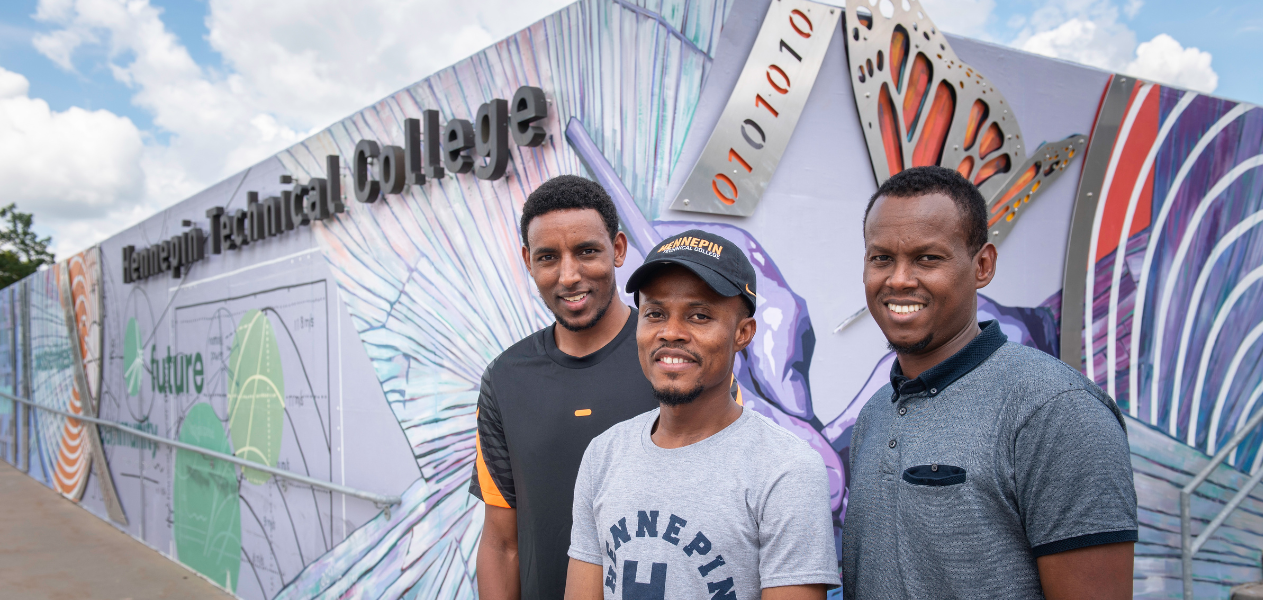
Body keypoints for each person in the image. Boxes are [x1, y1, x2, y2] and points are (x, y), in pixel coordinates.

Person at [842, 166, 1137, 599]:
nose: (898, 279)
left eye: (928, 258)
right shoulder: (875, 414)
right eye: (881, 258)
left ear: (982, 265)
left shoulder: (1056, 410)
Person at [565, 230, 840, 600]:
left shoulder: (786, 469)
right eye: (655, 313)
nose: (671, 332)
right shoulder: (603, 455)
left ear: (743, 333)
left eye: (699, 315)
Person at [471, 175, 659, 600]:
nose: (569, 275)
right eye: (548, 257)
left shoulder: (672, 362)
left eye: (587, 251)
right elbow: (502, 545)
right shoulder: (505, 379)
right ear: (528, 260)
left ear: (619, 249)